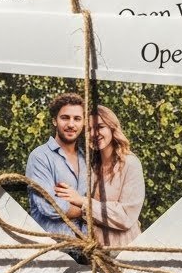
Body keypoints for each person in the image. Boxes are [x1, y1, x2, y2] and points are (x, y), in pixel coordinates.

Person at [56, 104, 145, 248]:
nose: (94, 134)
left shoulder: (130, 164)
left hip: (125, 249)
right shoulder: (90, 167)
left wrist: (83, 202)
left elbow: (125, 216)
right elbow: (77, 210)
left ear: (112, 128)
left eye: (100, 127)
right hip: (95, 250)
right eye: (89, 130)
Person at [25, 92, 87, 237]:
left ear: (83, 123)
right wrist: (87, 210)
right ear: (54, 121)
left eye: (77, 119)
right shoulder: (40, 156)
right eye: (65, 118)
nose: (71, 124)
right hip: (52, 247)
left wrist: (80, 203)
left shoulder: (86, 159)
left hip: (85, 248)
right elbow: (49, 206)